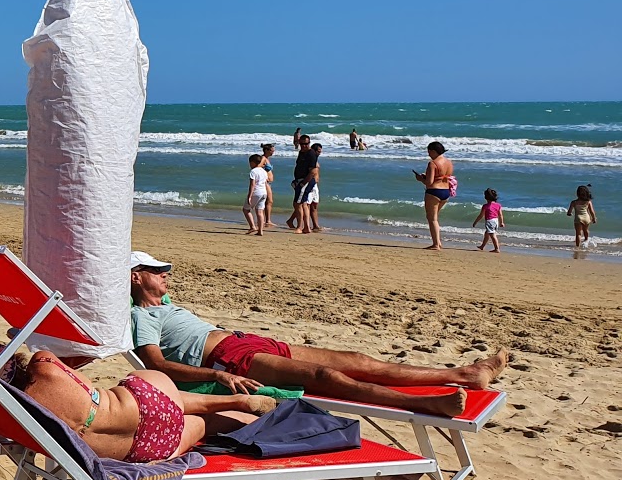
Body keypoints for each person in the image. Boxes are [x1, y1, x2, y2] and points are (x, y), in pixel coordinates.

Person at [128, 253, 508, 418]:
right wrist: (217, 375)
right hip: (228, 359)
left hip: (248, 341)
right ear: (135, 276)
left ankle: (465, 374)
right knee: (326, 379)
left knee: (359, 361)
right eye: (155, 270)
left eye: (165, 269)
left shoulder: (164, 302)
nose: (166, 273)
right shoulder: (142, 315)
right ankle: (425, 405)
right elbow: (156, 364)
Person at [13, 351, 274, 463]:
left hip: (145, 449)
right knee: (158, 397)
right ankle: (237, 401)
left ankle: (249, 422)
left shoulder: (15, 419)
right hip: (146, 403)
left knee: (203, 425)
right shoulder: (42, 364)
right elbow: (77, 360)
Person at [412, 140, 455, 251]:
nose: (428, 154)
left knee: (432, 219)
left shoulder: (433, 163)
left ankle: (436, 244)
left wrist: (420, 179)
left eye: (429, 151)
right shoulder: (449, 162)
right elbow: (444, 176)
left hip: (434, 192)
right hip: (446, 191)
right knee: (434, 218)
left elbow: (429, 182)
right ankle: (438, 242)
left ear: (433, 151)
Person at [293, 142, 322, 235]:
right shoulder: (311, 158)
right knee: (303, 203)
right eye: (318, 151)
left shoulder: (313, 159)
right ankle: (303, 226)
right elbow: (312, 172)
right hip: (308, 183)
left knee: (309, 204)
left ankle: (311, 225)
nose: (319, 153)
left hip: (312, 184)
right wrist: (303, 183)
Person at [287, 134, 314, 229]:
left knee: (297, 204)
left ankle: (300, 227)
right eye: (301, 144)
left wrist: (303, 183)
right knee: (303, 203)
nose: (303, 146)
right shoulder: (301, 152)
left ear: (309, 143)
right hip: (299, 180)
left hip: (305, 181)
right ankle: (306, 227)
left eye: (305, 144)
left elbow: (312, 172)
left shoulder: (311, 154)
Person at [472, 188, 505, 253]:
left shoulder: (485, 206)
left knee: (492, 235)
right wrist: (501, 222)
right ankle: (482, 246)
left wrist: (475, 222)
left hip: (490, 221)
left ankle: (497, 248)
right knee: (487, 233)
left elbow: (481, 215)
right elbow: (500, 215)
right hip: (495, 221)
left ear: (486, 198)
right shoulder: (498, 205)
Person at [244, 153, 268, 236]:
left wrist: (249, 196)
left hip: (256, 192)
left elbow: (252, 185)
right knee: (260, 212)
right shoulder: (264, 171)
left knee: (246, 209)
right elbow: (265, 183)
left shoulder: (253, 171)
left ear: (253, 163)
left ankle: (252, 226)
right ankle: (260, 231)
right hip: (264, 192)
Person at [259, 142, 277, 228]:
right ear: (266, 150)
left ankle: (266, 220)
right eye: (272, 151)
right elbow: (258, 167)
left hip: (268, 183)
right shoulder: (263, 158)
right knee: (269, 201)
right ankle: (267, 221)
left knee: (267, 201)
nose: (273, 152)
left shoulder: (267, 158)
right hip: (265, 183)